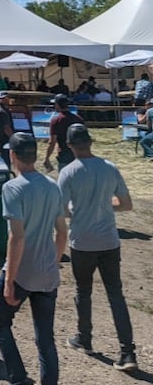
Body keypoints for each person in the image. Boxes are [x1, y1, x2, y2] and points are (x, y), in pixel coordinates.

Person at [0, 133, 67, 385]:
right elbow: (61, 233)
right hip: (48, 272)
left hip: (22, 271)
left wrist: (10, 279)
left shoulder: (12, 187)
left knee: (0, 323)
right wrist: (55, 261)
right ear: (34, 155)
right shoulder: (52, 186)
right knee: (45, 341)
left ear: (13, 156)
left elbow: (17, 237)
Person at [57, 124, 138, 372]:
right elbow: (126, 205)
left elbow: (60, 211)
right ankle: (127, 351)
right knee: (116, 294)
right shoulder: (109, 168)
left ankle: (85, 338)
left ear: (69, 146)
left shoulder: (68, 172)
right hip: (109, 241)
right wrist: (104, 207)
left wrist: (79, 209)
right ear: (91, 142)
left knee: (83, 290)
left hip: (82, 241)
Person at [43, 94, 84, 172]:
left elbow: (52, 142)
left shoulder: (56, 121)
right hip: (79, 156)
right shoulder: (78, 119)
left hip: (64, 156)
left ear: (57, 105)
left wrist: (47, 158)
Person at [0, 91, 15, 167]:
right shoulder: (1, 111)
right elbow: (6, 128)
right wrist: (13, 138)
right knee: (6, 158)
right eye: (8, 98)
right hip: (3, 138)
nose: (9, 100)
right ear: (4, 99)